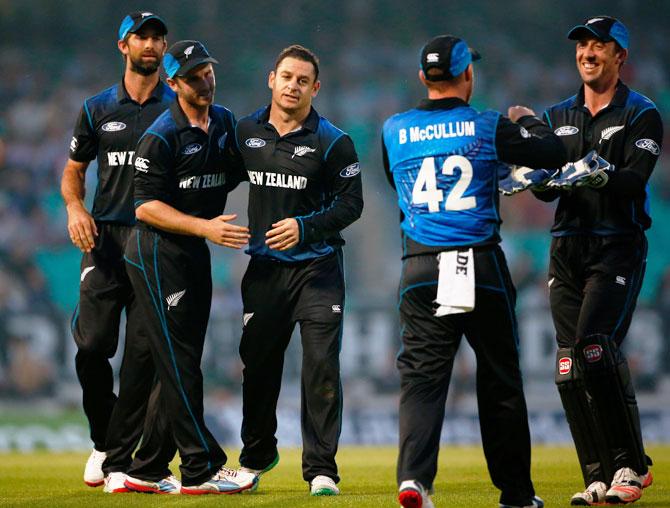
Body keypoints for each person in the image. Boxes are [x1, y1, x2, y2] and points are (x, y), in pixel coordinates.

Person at [382, 34, 568, 508]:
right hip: (478, 260)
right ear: (468, 74)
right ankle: (516, 494)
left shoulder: (393, 129)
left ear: (423, 78)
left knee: (422, 380)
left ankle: (413, 479)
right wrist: (526, 120)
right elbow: (551, 154)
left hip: (420, 267)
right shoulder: (487, 125)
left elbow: (396, 183)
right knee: (499, 380)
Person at [533, 16, 662, 506]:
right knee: (568, 364)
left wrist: (592, 174)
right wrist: (537, 178)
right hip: (566, 246)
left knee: (593, 348)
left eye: (599, 46)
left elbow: (634, 179)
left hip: (616, 244)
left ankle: (632, 466)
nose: (587, 52)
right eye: (582, 45)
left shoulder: (641, 113)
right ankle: (598, 474)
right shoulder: (556, 115)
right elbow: (546, 186)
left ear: (620, 57)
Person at [122, 39, 255, 495]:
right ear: (173, 82)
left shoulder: (224, 122)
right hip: (157, 252)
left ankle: (146, 467)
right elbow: (144, 208)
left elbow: (247, 167)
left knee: (177, 363)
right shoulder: (160, 135)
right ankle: (200, 468)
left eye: (209, 71)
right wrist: (205, 228)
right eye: (195, 75)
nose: (206, 80)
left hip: (194, 249)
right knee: (180, 361)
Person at [233, 44, 363, 496]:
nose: (293, 85)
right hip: (265, 271)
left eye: (303, 80)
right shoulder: (244, 131)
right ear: (272, 78)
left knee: (321, 366)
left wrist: (304, 227)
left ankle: (321, 469)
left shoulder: (333, 140)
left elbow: (352, 204)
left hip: (319, 271)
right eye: (287, 76)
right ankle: (255, 457)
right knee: (258, 365)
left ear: (315, 88)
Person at [61, 11, 177, 491]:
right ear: (122, 46)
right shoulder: (96, 108)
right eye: (140, 37)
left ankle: (131, 458)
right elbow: (74, 169)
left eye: (156, 37)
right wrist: (74, 208)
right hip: (105, 240)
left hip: (155, 244)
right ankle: (105, 440)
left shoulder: (180, 106)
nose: (150, 44)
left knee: (145, 360)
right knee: (91, 348)